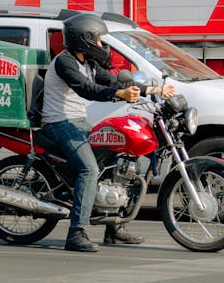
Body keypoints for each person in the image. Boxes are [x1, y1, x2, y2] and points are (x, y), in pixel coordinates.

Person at [41, 13, 175, 252]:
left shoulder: (89, 62)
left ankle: (114, 228)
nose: (102, 45)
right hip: (58, 122)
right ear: (86, 39)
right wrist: (118, 95)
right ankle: (76, 233)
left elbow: (115, 82)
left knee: (115, 158)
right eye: (99, 40)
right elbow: (86, 89)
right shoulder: (65, 62)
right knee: (89, 169)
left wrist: (155, 89)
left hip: (78, 122)